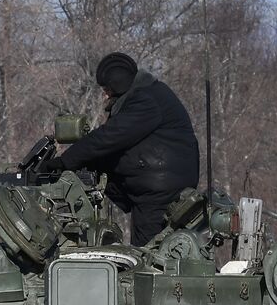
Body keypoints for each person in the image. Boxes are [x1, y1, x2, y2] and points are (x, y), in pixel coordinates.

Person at [45, 52, 200, 246]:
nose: (105, 95)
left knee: (149, 254)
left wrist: (65, 161)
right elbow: (116, 144)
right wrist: (85, 164)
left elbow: (110, 137)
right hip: (160, 187)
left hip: (158, 193)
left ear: (118, 85)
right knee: (156, 250)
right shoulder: (148, 94)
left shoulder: (145, 101)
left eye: (107, 89)